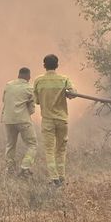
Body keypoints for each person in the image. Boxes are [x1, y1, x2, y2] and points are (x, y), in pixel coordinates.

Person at [33, 54, 76, 186]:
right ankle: (61, 177)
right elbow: (73, 94)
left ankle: (54, 178)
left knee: (49, 150)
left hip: (47, 120)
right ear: (57, 65)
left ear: (44, 65)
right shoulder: (64, 79)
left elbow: (37, 101)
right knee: (61, 149)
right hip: (62, 120)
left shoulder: (38, 81)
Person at [1, 67, 37, 177]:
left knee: (10, 145)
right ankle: (25, 167)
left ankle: (9, 169)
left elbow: (4, 100)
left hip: (8, 119)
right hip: (22, 120)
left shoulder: (8, 85)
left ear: (18, 75)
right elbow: (32, 109)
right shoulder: (29, 88)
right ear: (28, 76)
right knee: (32, 144)